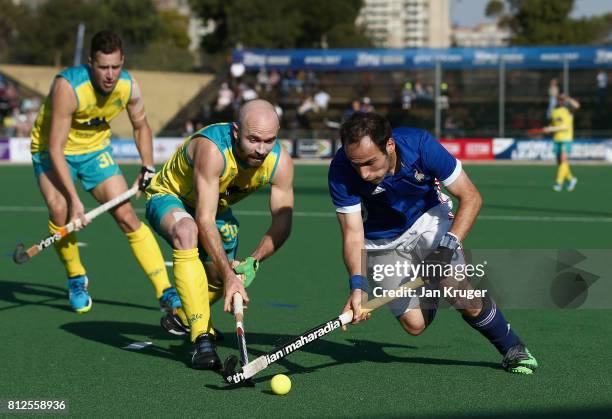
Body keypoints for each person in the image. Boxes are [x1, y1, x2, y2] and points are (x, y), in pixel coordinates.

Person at [328, 112, 538, 374]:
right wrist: (358, 286)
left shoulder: (420, 146)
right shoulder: (340, 170)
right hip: (381, 239)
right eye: (355, 164)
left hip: (429, 219)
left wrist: (445, 249)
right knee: (414, 325)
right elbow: (352, 232)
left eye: (370, 162)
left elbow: (471, 197)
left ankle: (512, 348)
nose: (363, 173)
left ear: (389, 145)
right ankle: (433, 284)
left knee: (457, 289)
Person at [29, 30, 179, 314]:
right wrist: (74, 200)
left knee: (126, 215)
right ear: (90, 63)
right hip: (53, 151)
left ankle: (166, 291)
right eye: (103, 67)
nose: (110, 75)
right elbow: (55, 147)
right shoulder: (68, 87)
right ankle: (76, 277)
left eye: (116, 66)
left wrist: (147, 165)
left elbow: (141, 127)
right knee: (59, 209)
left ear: (122, 62)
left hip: (95, 151)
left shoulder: (129, 86)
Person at [144, 99, 294, 370]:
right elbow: (202, 219)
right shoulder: (213, 149)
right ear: (236, 131)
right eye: (253, 140)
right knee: (187, 230)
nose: (261, 150)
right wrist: (230, 277)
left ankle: (181, 316)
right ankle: (202, 339)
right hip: (171, 197)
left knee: (216, 275)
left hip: (215, 206)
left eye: (269, 140)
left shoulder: (280, 161)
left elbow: (283, 220)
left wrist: (254, 260)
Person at [544, 93, 580, 192]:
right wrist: (548, 128)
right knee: (560, 163)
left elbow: (577, 106)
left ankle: (558, 183)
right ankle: (571, 179)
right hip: (557, 139)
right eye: (559, 99)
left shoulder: (568, 110)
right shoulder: (554, 111)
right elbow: (553, 123)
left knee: (563, 160)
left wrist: (568, 98)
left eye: (562, 99)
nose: (561, 101)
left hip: (566, 138)